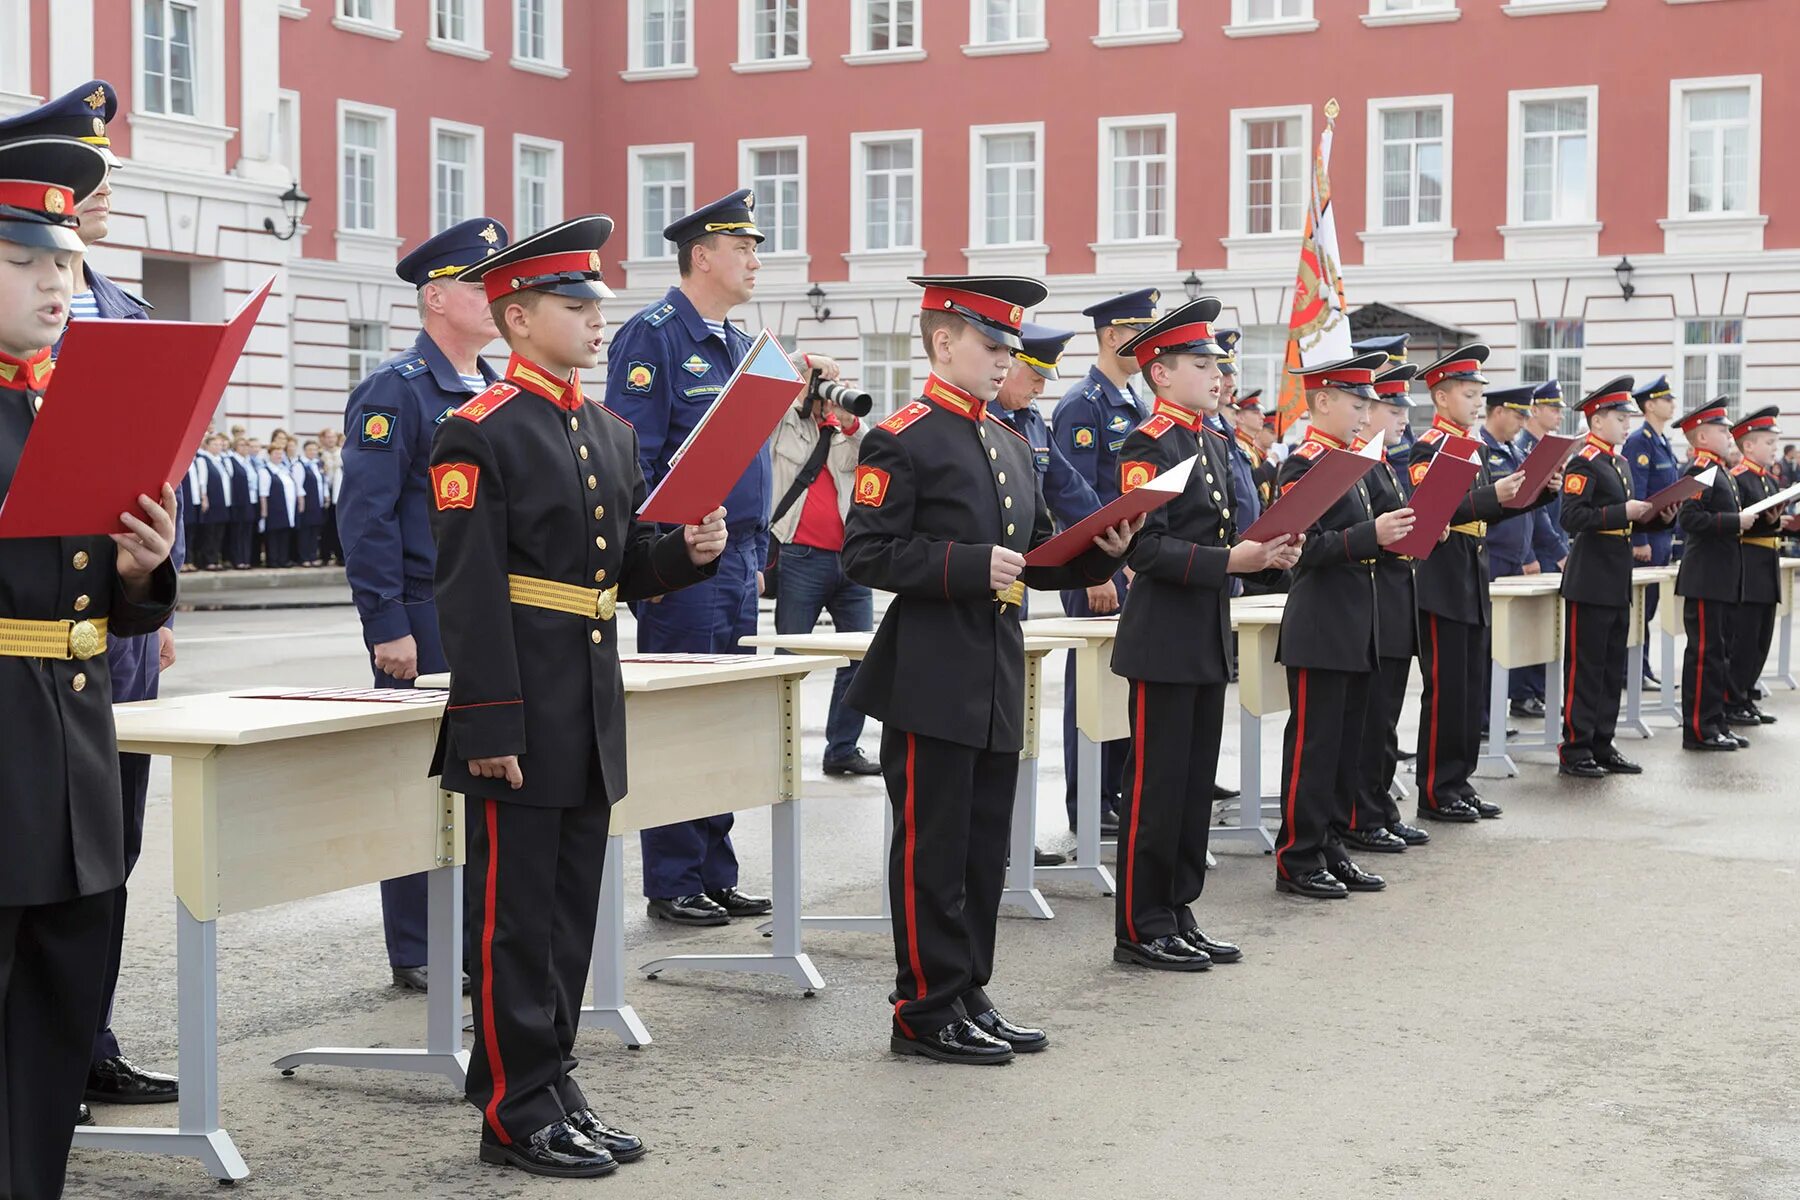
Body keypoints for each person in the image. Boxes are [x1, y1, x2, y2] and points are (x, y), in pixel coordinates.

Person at [434, 214, 726, 1178]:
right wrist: (485, 720)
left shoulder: (604, 428)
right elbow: (470, 590)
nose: (598, 321)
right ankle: (514, 1108)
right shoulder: (476, 432)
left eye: (597, 304)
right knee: (515, 916)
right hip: (518, 696)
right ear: (517, 319)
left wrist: (682, 552)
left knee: (568, 910)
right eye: (575, 305)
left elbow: (613, 565)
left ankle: (551, 1081)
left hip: (587, 695)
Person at [843, 274, 1135, 1064]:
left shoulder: (1007, 439)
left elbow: (1033, 556)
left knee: (981, 849)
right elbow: (866, 551)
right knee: (931, 848)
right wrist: (967, 565)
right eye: (993, 345)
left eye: (1011, 347)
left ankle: (968, 988)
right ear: (943, 343)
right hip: (931, 669)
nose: (1007, 359)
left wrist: (1095, 552)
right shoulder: (903, 436)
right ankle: (923, 1006)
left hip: (998, 665)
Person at [0, 81, 190, 1116]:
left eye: (63, 262)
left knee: (55, 1014)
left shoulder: (61, 393)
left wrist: (141, 577)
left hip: (73, 719)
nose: (55, 284)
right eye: (25, 259)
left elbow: (104, 581)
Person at [608, 189, 830, 926]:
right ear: (703, 256)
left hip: (737, 556)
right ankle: (673, 878)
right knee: (680, 717)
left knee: (723, 720)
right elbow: (634, 456)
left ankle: (713, 867)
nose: (756, 260)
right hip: (685, 556)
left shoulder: (739, 346)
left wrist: (758, 549)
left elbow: (754, 458)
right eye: (744, 248)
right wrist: (655, 557)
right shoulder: (655, 336)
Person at [340, 216, 509, 991]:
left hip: (491, 612)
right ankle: (417, 947)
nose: (497, 298)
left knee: (484, 780)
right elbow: (366, 514)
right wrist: (387, 624)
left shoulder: (497, 389)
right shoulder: (396, 391)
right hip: (425, 614)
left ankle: (473, 937)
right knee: (420, 788)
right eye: (481, 285)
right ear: (438, 299)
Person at [1108, 297, 1296, 968]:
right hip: (1163, 637)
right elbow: (1145, 551)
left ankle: (1179, 909)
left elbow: (1232, 533)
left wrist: (1270, 554)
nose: (1217, 375)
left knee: (1191, 788)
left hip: (1207, 632)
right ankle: (1141, 924)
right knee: (1157, 788)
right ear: (1160, 373)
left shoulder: (1215, 440)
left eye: (1217, 363)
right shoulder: (1148, 443)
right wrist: (1232, 560)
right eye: (1200, 364)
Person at [1272, 350, 1416, 899]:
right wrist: (1371, 536)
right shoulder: (1305, 463)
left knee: (1342, 749)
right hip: (1322, 625)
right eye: (1357, 402)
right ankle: (1298, 856)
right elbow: (1299, 548)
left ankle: (1330, 846)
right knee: (1313, 749)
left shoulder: (1354, 462)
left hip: (1359, 624)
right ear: (1323, 401)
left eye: (1369, 403)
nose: (1366, 412)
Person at [1409, 345, 1557, 822]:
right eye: (1469, 394)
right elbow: (1433, 511)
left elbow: (1495, 506)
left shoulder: (1475, 445)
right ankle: (1436, 789)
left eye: (1478, 394)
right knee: (1446, 688)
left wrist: (1535, 494)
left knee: (1471, 685)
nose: (1477, 403)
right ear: (1441, 397)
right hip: (1442, 576)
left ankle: (1460, 779)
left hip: (1474, 572)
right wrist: (1492, 496)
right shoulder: (1428, 446)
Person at [1049, 288, 1158, 835]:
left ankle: (1112, 794)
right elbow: (1076, 500)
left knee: (1121, 686)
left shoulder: (1136, 403)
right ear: (1113, 335)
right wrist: (1102, 573)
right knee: (1090, 690)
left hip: (1130, 567)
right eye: (1141, 331)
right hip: (1100, 572)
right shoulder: (1082, 405)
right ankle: (1088, 802)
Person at [1556, 377, 1678, 777]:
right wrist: (1621, 512)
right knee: (1585, 667)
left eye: (1628, 417)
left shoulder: (1619, 462)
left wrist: (1660, 518)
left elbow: (1629, 518)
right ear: (1597, 422)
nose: (1628, 424)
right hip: (1590, 573)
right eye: (1620, 417)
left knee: (1611, 666)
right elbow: (1571, 517)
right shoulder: (1584, 461)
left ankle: (1602, 743)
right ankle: (1576, 749)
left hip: (1616, 574)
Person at [768, 361, 878, 777]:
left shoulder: (841, 432)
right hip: (800, 557)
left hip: (850, 560)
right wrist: (801, 380)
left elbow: (863, 461)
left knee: (861, 659)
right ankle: (777, 751)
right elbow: (771, 414)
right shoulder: (785, 424)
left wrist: (849, 421)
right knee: (787, 660)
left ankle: (842, 749)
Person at [1346, 359, 1432, 853]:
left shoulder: (1383, 461)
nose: (1402, 417)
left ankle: (1379, 807)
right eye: (1391, 406)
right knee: (1371, 721)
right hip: (1376, 603)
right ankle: (1364, 814)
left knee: (1385, 719)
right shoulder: (1361, 461)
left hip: (1396, 601)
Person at [1673, 397, 1752, 751]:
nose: (1728, 435)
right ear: (1701, 435)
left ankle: (1715, 721)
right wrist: (1734, 522)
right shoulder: (1701, 470)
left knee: (1719, 653)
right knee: (1705, 654)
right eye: (1722, 430)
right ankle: (1699, 729)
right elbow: (1689, 520)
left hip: (1722, 576)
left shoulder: (1719, 470)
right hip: (1705, 577)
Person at [1478, 385, 1540, 727]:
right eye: (1518, 414)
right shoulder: (1483, 451)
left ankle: (1491, 717)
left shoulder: (1512, 451)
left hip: (1515, 557)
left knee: (1502, 644)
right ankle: (1482, 720)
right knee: (1485, 645)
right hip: (1493, 556)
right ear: (1497, 411)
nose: (1522, 422)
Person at [1510, 380, 1570, 710]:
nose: (1559, 414)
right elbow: (1527, 510)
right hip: (1538, 550)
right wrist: (1530, 555)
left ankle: (1537, 691)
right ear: (1535, 411)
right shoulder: (1527, 448)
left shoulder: (1543, 447)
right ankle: (1524, 693)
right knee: (1526, 629)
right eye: (1553, 408)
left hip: (1551, 544)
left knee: (1544, 627)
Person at [1725, 407, 1787, 726]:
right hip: (1748, 564)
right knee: (1744, 638)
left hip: (1767, 563)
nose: (1774, 448)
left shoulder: (1769, 480)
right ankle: (1732, 699)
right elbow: (1740, 522)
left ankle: (1746, 694)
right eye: (1768, 442)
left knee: (1761, 637)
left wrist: (1783, 522)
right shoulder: (1738, 478)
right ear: (1748, 446)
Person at [1625, 376, 1681, 689]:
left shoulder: (1662, 441)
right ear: (1650, 405)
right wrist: (1638, 539)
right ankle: (1631, 669)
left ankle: (1641, 668)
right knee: (1639, 610)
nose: (1672, 403)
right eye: (1666, 399)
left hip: (1661, 535)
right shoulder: (1640, 442)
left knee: (1649, 610)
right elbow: (1637, 493)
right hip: (1645, 540)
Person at [259, 443, 297, 568]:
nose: (279, 456)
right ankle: (273, 560)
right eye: (276, 453)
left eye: (281, 454)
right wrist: (264, 512)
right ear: (269, 455)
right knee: (273, 535)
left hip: (287, 508)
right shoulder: (265, 471)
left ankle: (283, 559)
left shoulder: (284, 470)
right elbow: (263, 493)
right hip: (273, 508)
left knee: (284, 534)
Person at [226, 434, 257, 568]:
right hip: (238, 502)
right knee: (237, 532)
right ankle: (238, 560)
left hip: (250, 501)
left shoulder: (249, 462)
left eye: (246, 445)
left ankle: (246, 559)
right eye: (242, 445)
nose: (245, 448)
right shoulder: (231, 461)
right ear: (235, 447)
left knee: (247, 531)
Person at [296, 439, 327, 565]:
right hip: (307, 502)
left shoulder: (317, 464)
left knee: (315, 530)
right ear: (305, 451)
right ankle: (304, 557)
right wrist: (301, 502)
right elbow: (299, 485)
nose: (312, 452)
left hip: (317, 502)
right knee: (305, 531)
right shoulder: (300, 465)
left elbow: (322, 482)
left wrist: (326, 497)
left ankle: (313, 555)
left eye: (315, 449)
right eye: (310, 449)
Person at [318, 427, 344, 565]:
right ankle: (325, 554)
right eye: (328, 437)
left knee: (338, 525)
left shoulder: (342, 453)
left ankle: (340, 555)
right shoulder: (319, 454)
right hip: (324, 493)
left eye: (333, 437)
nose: (331, 440)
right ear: (323, 439)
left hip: (339, 493)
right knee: (324, 526)